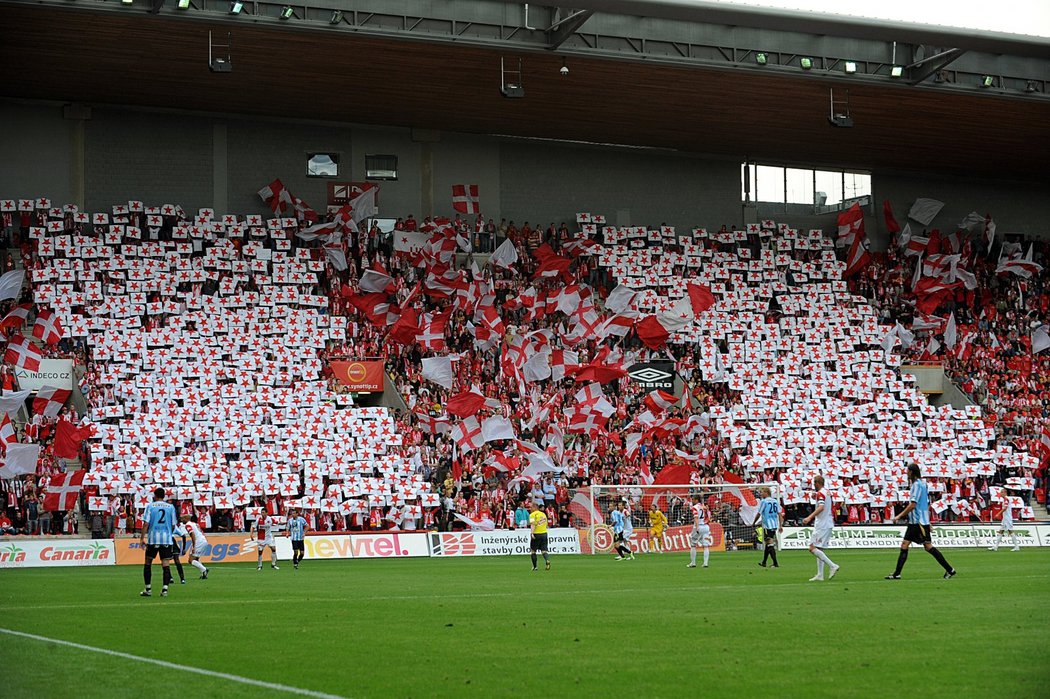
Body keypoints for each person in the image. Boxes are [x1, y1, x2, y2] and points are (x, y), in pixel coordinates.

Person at [885, 464, 956, 579]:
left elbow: (913, 505)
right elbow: (924, 504)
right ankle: (897, 574)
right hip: (918, 521)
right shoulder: (921, 485)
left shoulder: (917, 485)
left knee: (926, 546)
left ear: (912, 472)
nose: (906, 473)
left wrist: (898, 516)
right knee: (906, 545)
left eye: (907, 471)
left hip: (918, 522)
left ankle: (950, 569)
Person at [139, 487, 178, 598]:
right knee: (165, 564)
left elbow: (146, 523)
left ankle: (148, 589)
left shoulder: (150, 506)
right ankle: (165, 589)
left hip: (153, 538)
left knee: (148, 562)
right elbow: (174, 524)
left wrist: (142, 538)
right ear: (164, 496)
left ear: (155, 496)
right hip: (166, 539)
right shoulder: (170, 507)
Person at [802, 476, 839, 582]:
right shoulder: (827, 492)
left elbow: (821, 507)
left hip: (822, 524)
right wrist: (815, 497)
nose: (813, 485)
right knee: (819, 549)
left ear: (818, 483)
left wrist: (809, 517)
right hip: (827, 522)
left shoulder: (820, 493)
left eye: (814, 483)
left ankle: (832, 565)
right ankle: (820, 575)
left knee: (812, 548)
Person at [753, 486, 782, 568]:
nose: (761, 494)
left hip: (767, 525)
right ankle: (764, 562)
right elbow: (779, 514)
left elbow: (759, 513)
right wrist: (780, 525)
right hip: (774, 525)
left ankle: (775, 563)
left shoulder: (764, 502)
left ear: (766, 492)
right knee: (767, 544)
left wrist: (753, 522)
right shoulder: (775, 501)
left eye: (762, 492)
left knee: (770, 544)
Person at [181, 515, 210, 579]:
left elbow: (193, 535)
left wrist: (194, 546)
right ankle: (203, 574)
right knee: (196, 558)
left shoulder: (187, 525)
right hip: (203, 540)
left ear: (186, 519)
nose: (181, 520)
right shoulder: (194, 524)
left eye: (183, 518)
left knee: (191, 560)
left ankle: (204, 569)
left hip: (199, 542)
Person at [687, 494, 711, 569]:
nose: (692, 501)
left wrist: (697, 527)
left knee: (693, 544)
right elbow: (709, 516)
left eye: (693, 499)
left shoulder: (694, 507)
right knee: (706, 545)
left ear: (696, 500)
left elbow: (696, 517)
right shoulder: (705, 507)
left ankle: (693, 563)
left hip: (699, 526)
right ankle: (705, 563)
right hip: (706, 526)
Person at [528, 501, 551, 571]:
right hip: (544, 534)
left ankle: (535, 567)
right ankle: (547, 560)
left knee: (533, 551)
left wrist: (532, 533)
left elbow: (533, 524)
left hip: (536, 534)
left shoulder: (532, 515)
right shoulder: (543, 514)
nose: (530, 508)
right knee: (544, 551)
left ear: (535, 507)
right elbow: (546, 524)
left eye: (531, 507)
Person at [171, 518, 188, 584]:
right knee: (165, 561)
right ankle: (170, 577)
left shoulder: (175, 528)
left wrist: (184, 548)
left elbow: (183, 536)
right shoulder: (165, 526)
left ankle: (182, 578)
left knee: (177, 561)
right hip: (166, 543)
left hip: (172, 543)